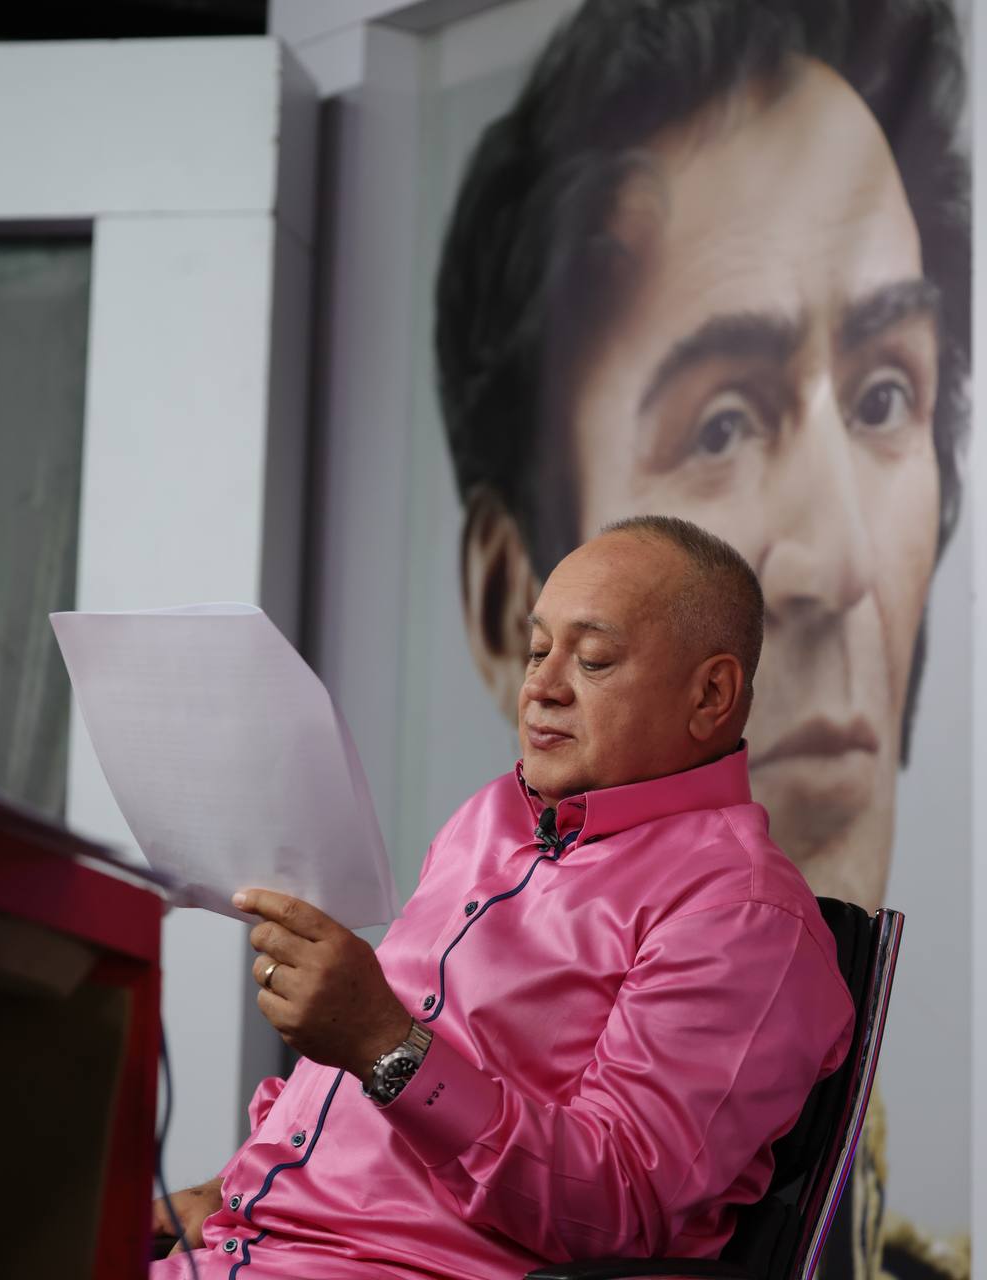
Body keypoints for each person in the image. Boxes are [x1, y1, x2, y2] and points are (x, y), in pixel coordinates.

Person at [435, 10, 969, 1273]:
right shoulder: (465, 872)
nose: (838, 564)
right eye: (721, 423)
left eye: (884, 395)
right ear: (506, 596)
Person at [151, 518, 854, 1279]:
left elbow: (620, 1207)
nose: (542, 688)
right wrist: (231, 1187)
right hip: (249, 1240)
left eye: (593, 659)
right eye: (537, 651)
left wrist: (384, 1046)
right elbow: (369, 1088)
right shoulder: (489, 817)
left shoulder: (742, 915)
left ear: (710, 694)